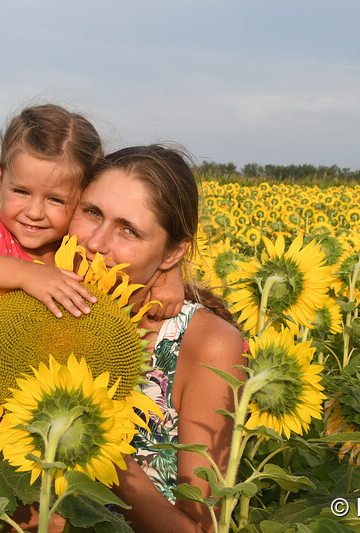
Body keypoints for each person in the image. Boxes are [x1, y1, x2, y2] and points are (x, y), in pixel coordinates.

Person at [0, 105, 184, 410]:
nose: (35, 212)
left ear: (82, 199)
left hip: (20, 404)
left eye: (55, 199)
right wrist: (26, 274)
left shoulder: (74, 250)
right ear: (0, 181)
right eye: (21, 192)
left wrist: (170, 274)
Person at [67, 145, 246, 532]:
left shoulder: (206, 343)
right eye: (92, 212)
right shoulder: (36, 295)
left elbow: (201, 526)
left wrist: (97, 445)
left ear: (174, 252)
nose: (96, 243)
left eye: (128, 230)